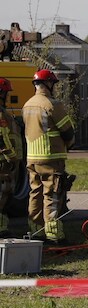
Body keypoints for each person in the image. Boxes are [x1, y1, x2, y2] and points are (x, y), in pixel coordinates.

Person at [23, 69, 75, 243]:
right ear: (48, 84)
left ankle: (35, 231)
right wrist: (70, 144)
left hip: (31, 157)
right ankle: (53, 235)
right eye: (53, 83)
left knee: (35, 193)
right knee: (52, 194)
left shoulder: (27, 104)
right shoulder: (52, 104)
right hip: (51, 156)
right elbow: (67, 131)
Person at [0, 78, 23, 234]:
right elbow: (2, 138)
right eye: (6, 93)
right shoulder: (1, 113)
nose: (8, 96)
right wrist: (12, 157)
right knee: (2, 196)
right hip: (4, 162)